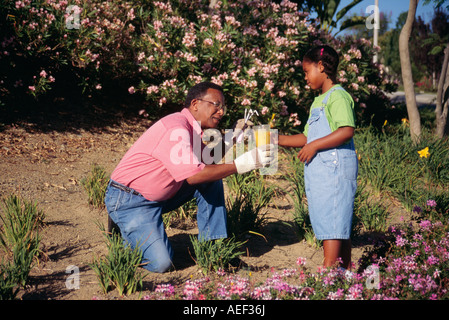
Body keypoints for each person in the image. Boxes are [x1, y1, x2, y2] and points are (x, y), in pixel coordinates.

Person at [104, 81, 274, 273]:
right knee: (161, 263)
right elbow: (195, 176)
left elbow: (207, 162)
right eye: (216, 105)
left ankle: (213, 246)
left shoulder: (191, 128)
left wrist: (232, 136)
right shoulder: (176, 129)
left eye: (223, 107)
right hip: (130, 199)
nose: (221, 112)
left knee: (211, 180)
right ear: (195, 104)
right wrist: (243, 164)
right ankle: (122, 229)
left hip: (157, 196)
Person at [278, 45, 358, 270]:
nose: (305, 78)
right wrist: (277, 139)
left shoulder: (338, 96)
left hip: (334, 169)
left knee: (333, 218)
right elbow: (306, 136)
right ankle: (344, 271)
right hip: (323, 172)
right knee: (332, 217)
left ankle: (329, 269)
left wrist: (314, 146)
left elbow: (346, 130)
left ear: (321, 67)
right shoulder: (318, 101)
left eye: (306, 71)